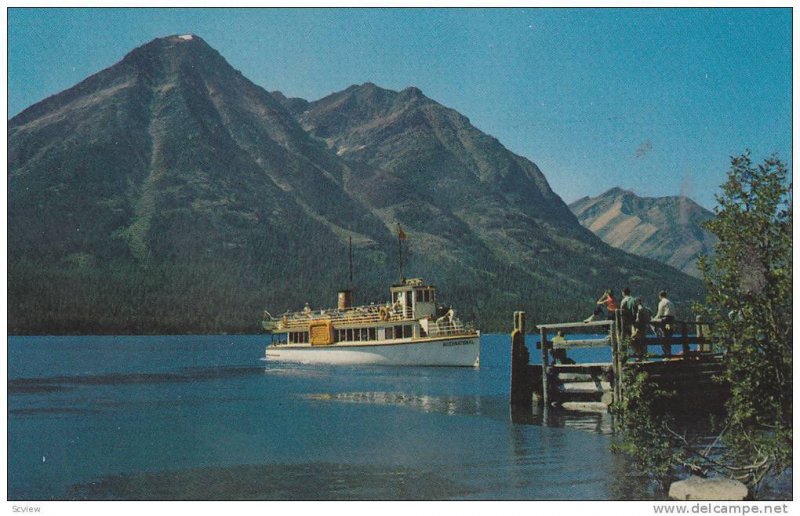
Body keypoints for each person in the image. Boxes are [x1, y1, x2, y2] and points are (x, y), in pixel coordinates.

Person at [651, 290, 676, 357]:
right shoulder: (670, 302)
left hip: (665, 319)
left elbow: (659, 314)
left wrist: (653, 319)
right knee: (668, 337)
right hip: (672, 320)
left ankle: (658, 334)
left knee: (652, 324)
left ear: (660, 296)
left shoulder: (662, 302)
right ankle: (668, 353)